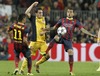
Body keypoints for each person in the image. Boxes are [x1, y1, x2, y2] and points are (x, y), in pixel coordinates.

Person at [44, 7, 96, 75]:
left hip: (68, 40)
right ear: (67, 13)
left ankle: (71, 71)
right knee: (56, 37)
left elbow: (82, 30)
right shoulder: (62, 20)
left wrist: (91, 34)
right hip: (61, 36)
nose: (69, 13)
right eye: (68, 12)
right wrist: (46, 29)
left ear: (73, 13)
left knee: (71, 52)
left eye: (71, 12)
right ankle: (46, 51)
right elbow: (54, 28)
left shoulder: (75, 21)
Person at [20, 2, 50, 74]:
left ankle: (37, 64)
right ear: (36, 13)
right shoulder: (33, 18)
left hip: (43, 42)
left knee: (48, 56)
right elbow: (26, 12)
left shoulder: (45, 19)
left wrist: (45, 31)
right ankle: (21, 70)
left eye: (41, 13)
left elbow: (48, 28)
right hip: (34, 41)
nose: (41, 14)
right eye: (39, 13)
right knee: (28, 56)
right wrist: (33, 5)